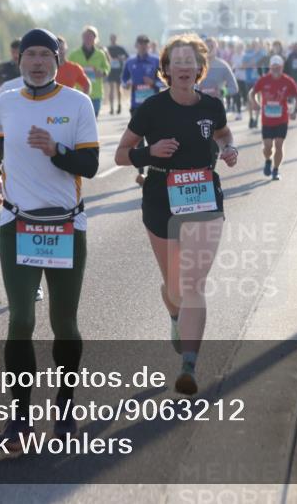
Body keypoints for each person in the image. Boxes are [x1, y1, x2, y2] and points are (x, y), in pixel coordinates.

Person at [0, 28, 99, 448]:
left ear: (56, 60)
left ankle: (65, 407)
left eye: (44, 55)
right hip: (17, 224)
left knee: (63, 323)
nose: (36, 62)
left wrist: (57, 151)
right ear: (20, 61)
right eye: (29, 55)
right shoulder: (6, 102)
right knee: (21, 320)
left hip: (66, 224)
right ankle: (19, 418)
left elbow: (91, 164)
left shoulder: (76, 103)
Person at [114, 34, 238, 396]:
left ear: (201, 69)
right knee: (175, 287)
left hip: (203, 197)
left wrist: (228, 149)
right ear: (166, 69)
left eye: (191, 61)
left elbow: (224, 135)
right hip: (160, 198)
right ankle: (174, 315)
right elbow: (121, 154)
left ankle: (189, 366)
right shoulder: (152, 108)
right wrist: (150, 153)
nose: (184, 67)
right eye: (177, 62)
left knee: (193, 284)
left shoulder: (212, 106)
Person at [121, 35, 164, 186]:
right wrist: (126, 84)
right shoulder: (130, 62)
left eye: (146, 45)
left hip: (154, 106)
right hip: (136, 106)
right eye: (141, 45)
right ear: (136, 46)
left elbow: (164, 80)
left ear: (149, 46)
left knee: (156, 138)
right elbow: (123, 79)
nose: (143, 47)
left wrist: (154, 83)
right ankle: (141, 173)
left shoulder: (155, 60)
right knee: (138, 140)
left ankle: (158, 169)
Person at [250, 56, 297, 181]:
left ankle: (276, 170)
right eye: (273, 68)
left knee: (279, 145)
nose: (275, 70)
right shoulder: (264, 80)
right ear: (270, 68)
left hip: (282, 119)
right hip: (267, 120)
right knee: (268, 146)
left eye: (278, 68)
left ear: (282, 68)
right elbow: (252, 92)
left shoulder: (287, 81)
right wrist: (255, 103)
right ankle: (268, 160)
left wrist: (295, 111)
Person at [67, 26, 111, 117]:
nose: (88, 39)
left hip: (96, 93)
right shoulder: (74, 54)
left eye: (91, 36)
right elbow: (68, 68)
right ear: (82, 37)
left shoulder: (100, 54)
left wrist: (102, 72)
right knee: (80, 121)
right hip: (79, 92)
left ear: (95, 38)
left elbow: (107, 67)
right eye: (86, 36)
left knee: (94, 119)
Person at [199, 37, 238, 102]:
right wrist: (196, 91)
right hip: (199, 107)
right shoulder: (196, 65)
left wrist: (221, 92)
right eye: (206, 46)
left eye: (211, 46)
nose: (209, 48)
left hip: (217, 107)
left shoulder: (223, 66)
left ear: (216, 48)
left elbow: (234, 88)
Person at [105, 33, 128, 115]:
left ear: (116, 39)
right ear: (110, 39)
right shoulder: (107, 48)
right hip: (110, 70)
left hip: (118, 70)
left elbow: (127, 56)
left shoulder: (120, 48)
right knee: (111, 89)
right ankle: (111, 107)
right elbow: (104, 58)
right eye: (112, 38)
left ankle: (119, 105)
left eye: (114, 38)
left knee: (118, 88)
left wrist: (121, 58)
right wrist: (109, 60)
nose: (113, 40)